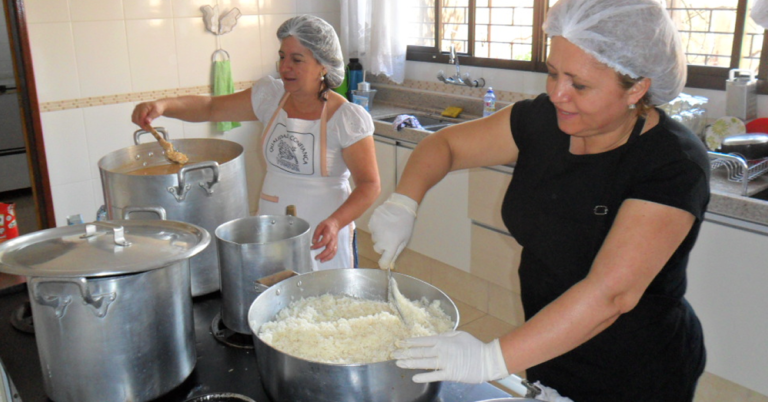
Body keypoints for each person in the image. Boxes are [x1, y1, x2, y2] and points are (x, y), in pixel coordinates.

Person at [368, 0, 708, 400]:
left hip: (633, 368)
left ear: (636, 88)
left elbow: (610, 294)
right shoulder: (543, 120)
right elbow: (446, 145)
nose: (558, 94)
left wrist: (490, 359)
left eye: (579, 85)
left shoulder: (672, 163)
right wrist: (404, 202)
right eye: (553, 73)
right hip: (546, 345)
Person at [132, 15, 380, 270]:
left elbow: (370, 185)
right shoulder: (270, 97)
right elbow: (211, 107)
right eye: (282, 57)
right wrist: (162, 106)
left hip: (323, 233)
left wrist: (336, 222)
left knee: (324, 294)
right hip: (272, 229)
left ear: (323, 66)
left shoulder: (346, 118)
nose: (285, 67)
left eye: (297, 60)